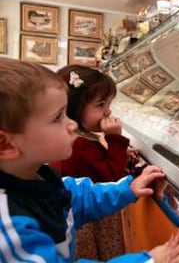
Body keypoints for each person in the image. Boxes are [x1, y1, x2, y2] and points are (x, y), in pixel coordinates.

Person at [0, 57, 179, 262]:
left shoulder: (37, 175)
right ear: (7, 145)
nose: (72, 124)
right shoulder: (10, 227)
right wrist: (147, 260)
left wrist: (127, 189)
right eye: (58, 117)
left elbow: (77, 197)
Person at [49, 64, 140, 260]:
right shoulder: (79, 145)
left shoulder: (82, 137)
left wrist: (121, 153)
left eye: (109, 104)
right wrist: (115, 140)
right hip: (93, 221)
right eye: (101, 105)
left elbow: (101, 166)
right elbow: (112, 178)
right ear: (75, 107)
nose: (108, 112)